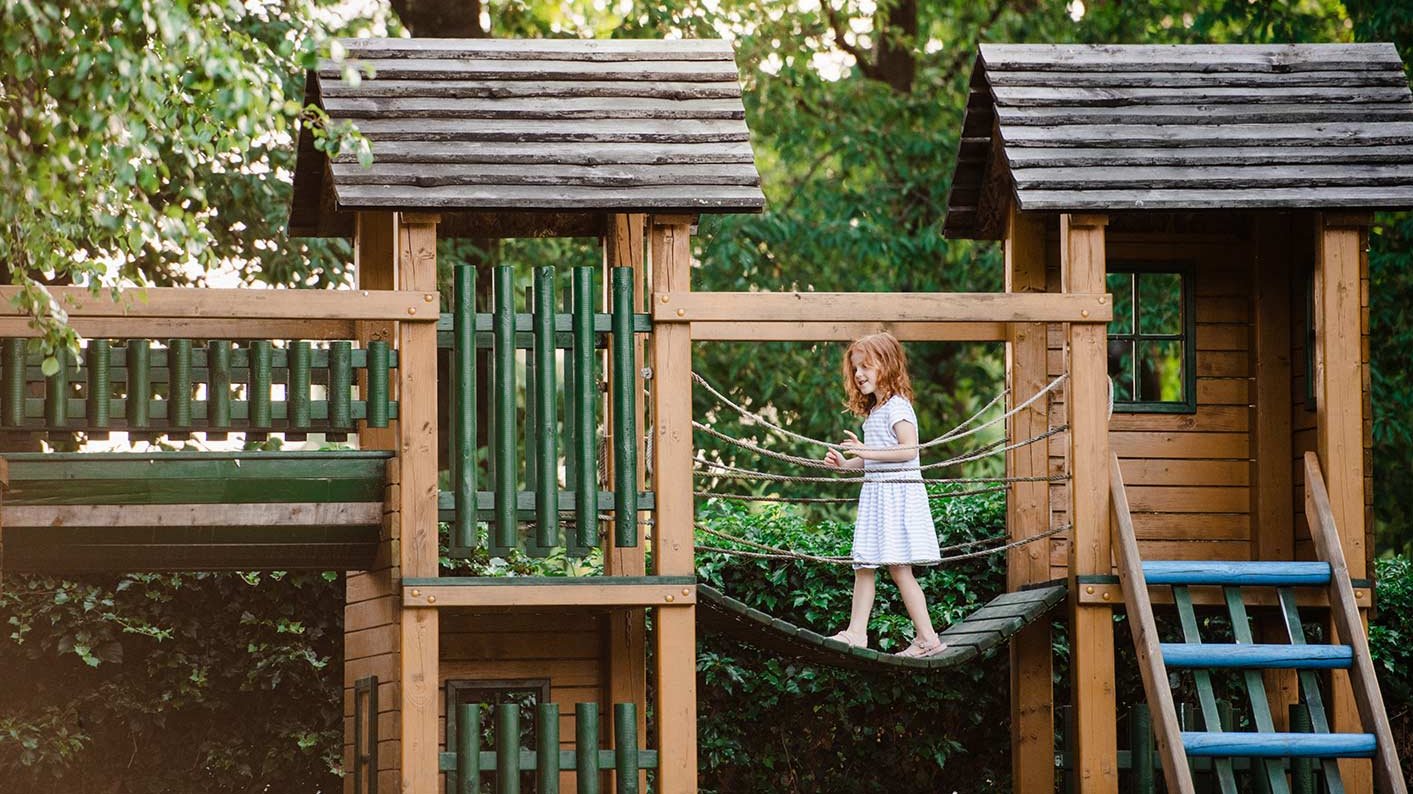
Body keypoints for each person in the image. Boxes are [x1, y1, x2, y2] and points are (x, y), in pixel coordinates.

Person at [822, 332, 944, 658]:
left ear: (886, 366)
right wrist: (847, 463)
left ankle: (927, 638)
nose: (859, 374)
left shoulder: (898, 408)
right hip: (877, 495)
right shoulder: (876, 411)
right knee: (864, 563)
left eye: (866, 366)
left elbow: (908, 450)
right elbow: (876, 455)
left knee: (898, 569)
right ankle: (857, 632)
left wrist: (866, 450)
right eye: (855, 368)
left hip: (896, 496)